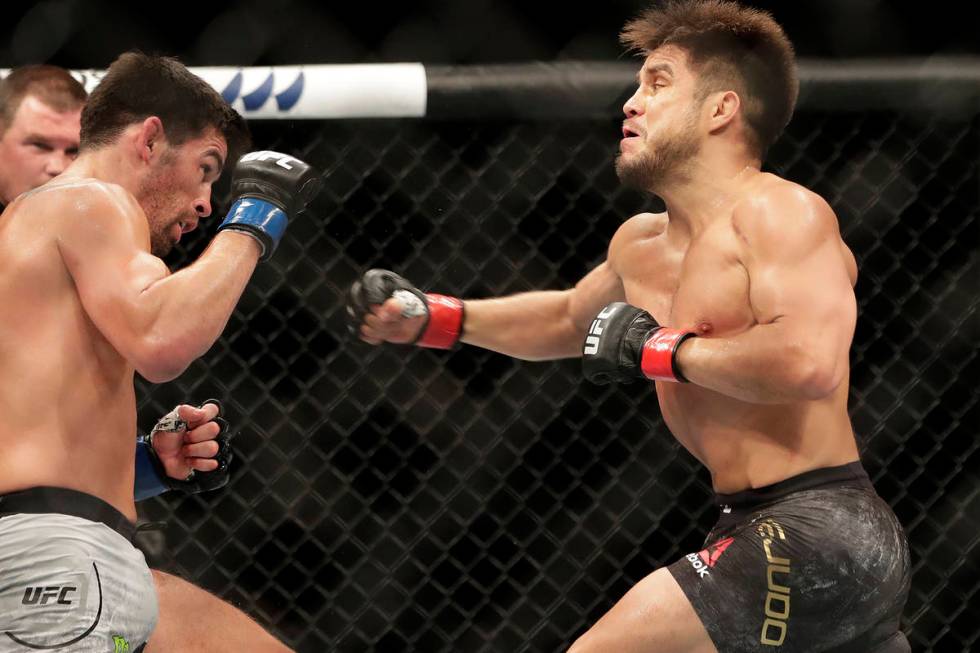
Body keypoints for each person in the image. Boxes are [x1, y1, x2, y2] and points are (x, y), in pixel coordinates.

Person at [348, 1, 911, 651]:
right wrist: (433, 317)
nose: (631, 103)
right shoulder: (639, 246)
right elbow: (566, 318)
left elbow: (808, 362)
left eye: (658, 83)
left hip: (819, 526)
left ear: (720, 109)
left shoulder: (780, 213)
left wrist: (661, 348)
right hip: (751, 525)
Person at [0, 52, 318, 652]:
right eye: (205, 168)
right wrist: (254, 218)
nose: (206, 202)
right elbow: (162, 340)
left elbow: (28, 433)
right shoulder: (89, 199)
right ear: (149, 139)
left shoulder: (31, 237)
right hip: (58, 559)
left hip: (56, 549)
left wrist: (145, 464)